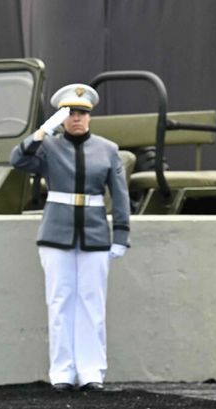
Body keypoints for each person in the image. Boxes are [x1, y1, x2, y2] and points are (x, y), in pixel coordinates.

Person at [9, 83, 130, 392]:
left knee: (92, 303)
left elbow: (120, 195)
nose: (77, 118)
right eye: (71, 113)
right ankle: (62, 371)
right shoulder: (50, 147)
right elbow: (18, 161)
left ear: (90, 116)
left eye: (83, 113)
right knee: (60, 301)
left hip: (94, 234)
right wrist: (40, 134)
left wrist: (120, 234)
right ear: (62, 117)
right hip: (56, 233)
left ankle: (92, 371)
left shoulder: (107, 149)